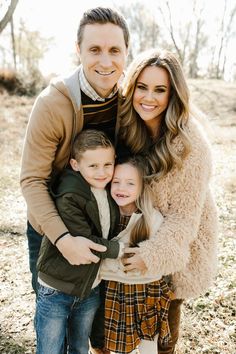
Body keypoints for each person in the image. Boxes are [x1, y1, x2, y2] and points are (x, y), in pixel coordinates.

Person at [20, 6, 129, 295]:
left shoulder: (131, 100)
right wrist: (64, 239)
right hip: (54, 222)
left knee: (93, 321)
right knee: (52, 314)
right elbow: (32, 180)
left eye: (114, 50)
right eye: (94, 49)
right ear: (78, 50)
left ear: (126, 52)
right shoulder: (51, 104)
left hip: (104, 219)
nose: (105, 61)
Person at [116, 49, 218, 354]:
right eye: (142, 87)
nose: (149, 97)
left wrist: (154, 255)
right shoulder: (125, 126)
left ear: (173, 94)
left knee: (162, 331)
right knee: (116, 332)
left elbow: (185, 217)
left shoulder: (191, 144)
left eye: (160, 89)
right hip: (134, 234)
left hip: (179, 245)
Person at [36, 129, 123, 354]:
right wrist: (119, 250)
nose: (102, 172)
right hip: (58, 288)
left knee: (79, 347)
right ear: (75, 164)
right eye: (93, 166)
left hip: (89, 287)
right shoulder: (70, 195)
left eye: (107, 165)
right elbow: (85, 241)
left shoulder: (110, 190)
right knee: (50, 349)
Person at [99, 156, 175, 354]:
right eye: (116, 182)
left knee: (147, 342)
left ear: (142, 187)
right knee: (113, 342)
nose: (121, 188)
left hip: (143, 292)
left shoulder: (151, 219)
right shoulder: (104, 215)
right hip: (112, 291)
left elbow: (160, 256)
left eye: (130, 183)